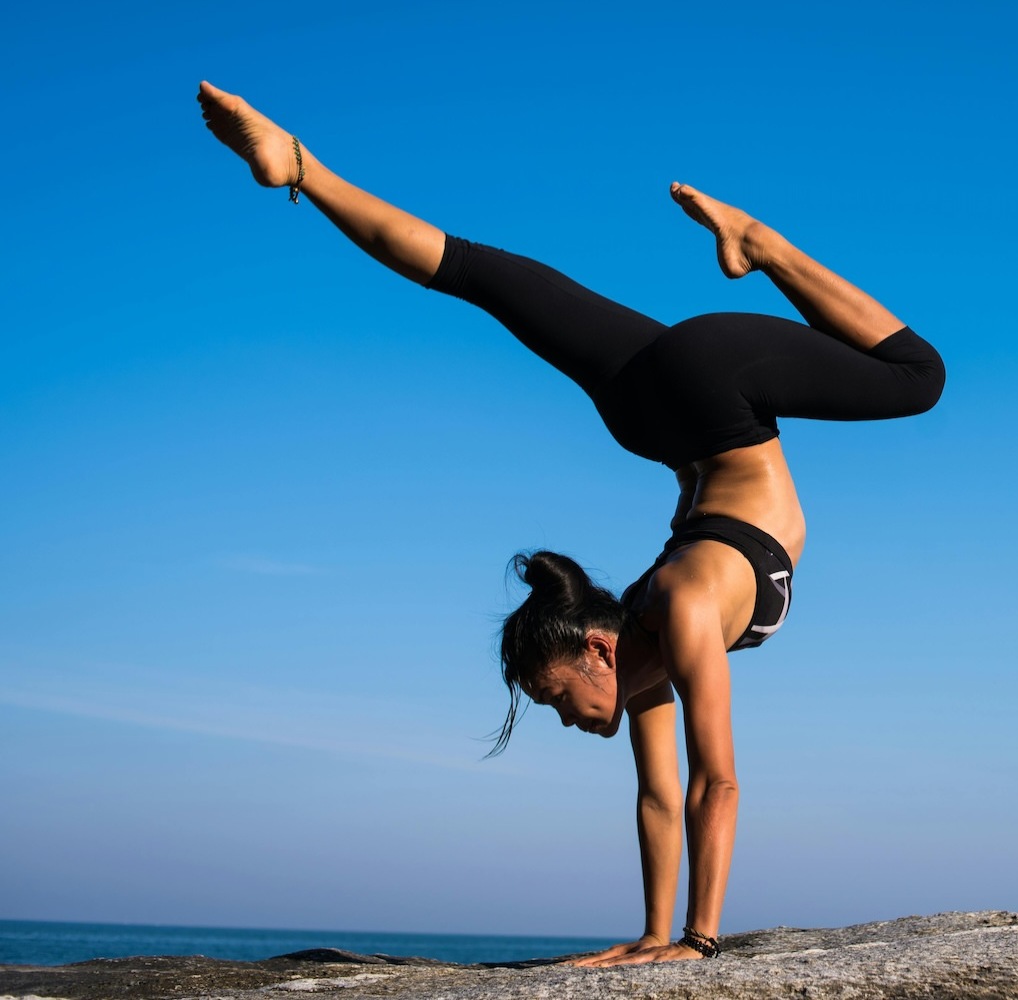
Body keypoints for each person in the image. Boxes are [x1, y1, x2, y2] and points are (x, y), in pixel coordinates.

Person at [196, 81, 945, 967]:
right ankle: (301, 169)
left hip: (716, 392)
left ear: (596, 649)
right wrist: (652, 938)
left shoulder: (681, 608)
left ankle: (760, 243)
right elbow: (661, 799)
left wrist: (699, 945)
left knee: (916, 377)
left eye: (554, 697)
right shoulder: (645, 647)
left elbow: (720, 781)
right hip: (654, 412)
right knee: (477, 274)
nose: (564, 720)